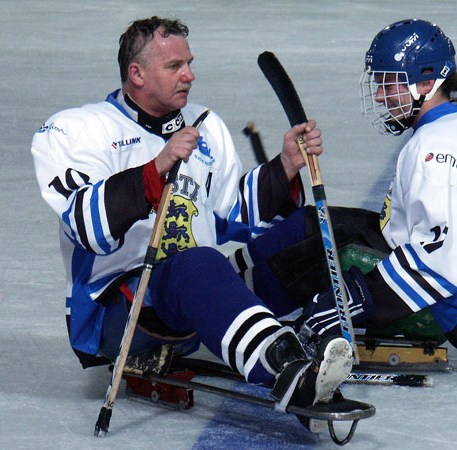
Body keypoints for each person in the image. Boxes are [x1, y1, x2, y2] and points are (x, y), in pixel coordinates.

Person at [31, 16, 352, 432]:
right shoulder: (78, 130)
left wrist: (286, 167)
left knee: (307, 232)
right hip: (122, 309)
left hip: (197, 286)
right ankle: (287, 367)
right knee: (196, 265)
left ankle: (307, 336)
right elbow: (86, 227)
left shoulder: (203, 124)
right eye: (174, 66)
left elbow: (231, 214)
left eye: (190, 63)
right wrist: (156, 169)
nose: (190, 75)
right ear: (137, 74)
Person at [235, 18, 457, 362]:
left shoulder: (441, 148)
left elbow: (439, 263)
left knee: (319, 252)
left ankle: (232, 307)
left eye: (389, 84)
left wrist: (350, 301)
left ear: (427, 82)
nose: (379, 96)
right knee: (314, 223)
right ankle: (229, 280)